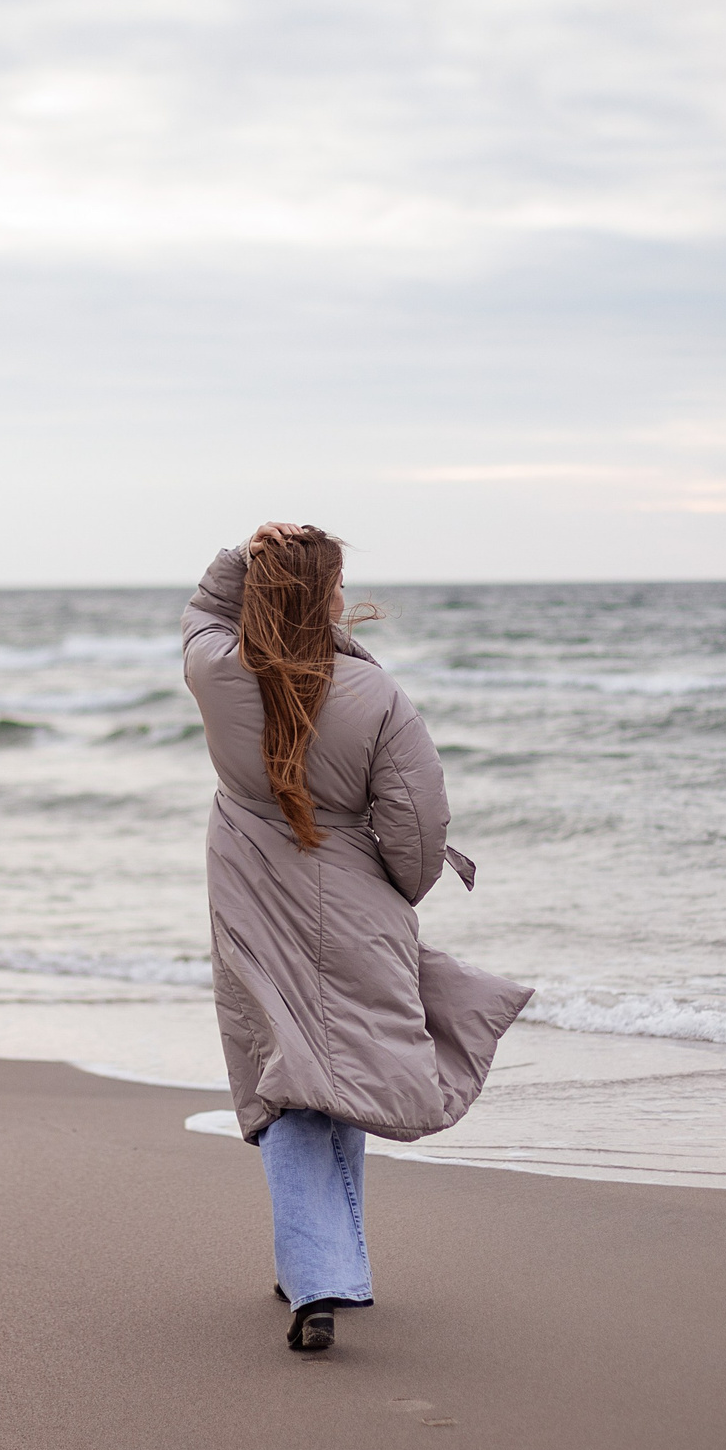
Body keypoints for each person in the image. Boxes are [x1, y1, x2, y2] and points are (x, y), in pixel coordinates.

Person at [181, 522, 533, 1353]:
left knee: (289, 1070)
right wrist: (393, 890)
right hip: (350, 894)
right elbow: (419, 826)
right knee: (342, 1066)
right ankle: (320, 1273)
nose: (345, 594)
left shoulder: (218, 670)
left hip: (247, 890)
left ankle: (314, 1267)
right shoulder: (376, 695)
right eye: (335, 581)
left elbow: (202, 608)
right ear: (320, 596)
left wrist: (247, 550)